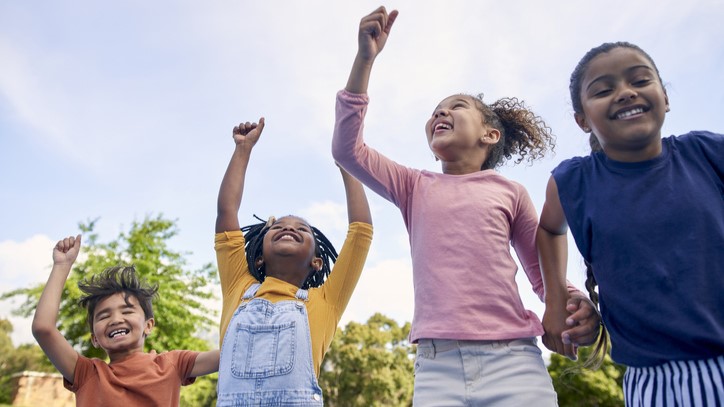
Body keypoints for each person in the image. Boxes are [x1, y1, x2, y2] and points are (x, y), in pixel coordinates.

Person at [332, 6, 601, 406]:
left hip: (513, 360)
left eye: (456, 106)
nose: (441, 112)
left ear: (490, 134)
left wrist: (575, 304)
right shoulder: (413, 185)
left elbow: (543, 274)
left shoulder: (510, 192)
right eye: (436, 110)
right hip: (437, 366)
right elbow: (347, 149)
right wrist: (364, 60)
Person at [537, 41, 724, 406]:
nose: (625, 93)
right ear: (582, 119)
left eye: (639, 80)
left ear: (664, 98)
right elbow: (548, 229)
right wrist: (555, 299)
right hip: (656, 382)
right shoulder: (573, 181)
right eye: (604, 90)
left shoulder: (707, 152)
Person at [215, 117, 373, 406]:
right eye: (277, 227)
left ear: (317, 261)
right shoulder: (237, 287)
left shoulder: (326, 301)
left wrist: (346, 165)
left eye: (302, 229)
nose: (289, 228)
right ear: (259, 257)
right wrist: (243, 150)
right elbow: (227, 212)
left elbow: (360, 232)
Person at [31, 235, 220, 406]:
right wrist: (62, 266)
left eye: (127, 311)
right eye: (104, 316)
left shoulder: (173, 364)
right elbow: (43, 328)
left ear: (148, 325)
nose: (115, 319)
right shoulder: (86, 373)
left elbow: (228, 355)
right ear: (94, 338)